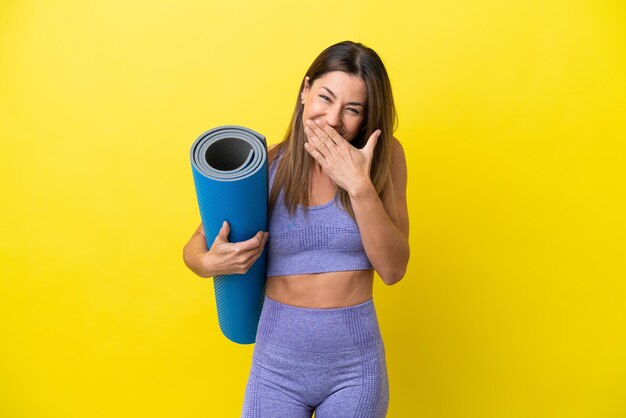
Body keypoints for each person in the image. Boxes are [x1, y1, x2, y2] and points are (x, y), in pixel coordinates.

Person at [183, 40, 409, 418]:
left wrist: (358, 186)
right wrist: (210, 263)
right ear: (305, 91)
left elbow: (393, 269)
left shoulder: (383, 159)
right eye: (325, 97)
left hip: (354, 370)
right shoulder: (269, 164)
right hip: (276, 369)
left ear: (366, 119)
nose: (333, 119)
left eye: (352, 109)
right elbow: (194, 248)